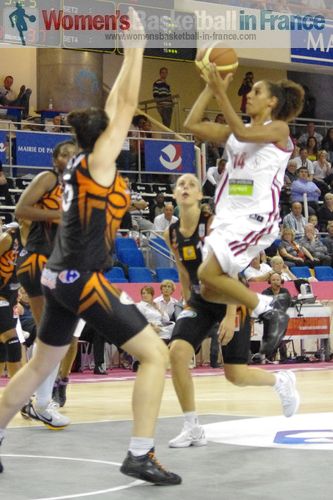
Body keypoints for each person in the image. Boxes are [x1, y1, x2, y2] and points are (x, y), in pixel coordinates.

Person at [0, 10, 181, 485]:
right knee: (154, 356)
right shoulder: (98, 163)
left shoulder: (81, 161)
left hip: (58, 278)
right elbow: (123, 104)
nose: (123, 130)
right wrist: (136, 46)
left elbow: (119, 102)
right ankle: (140, 453)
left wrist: (129, 56)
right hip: (81, 277)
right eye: (117, 130)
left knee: (42, 362)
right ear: (106, 137)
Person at [165, 174, 299, 448]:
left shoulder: (213, 225)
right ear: (175, 196)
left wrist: (229, 314)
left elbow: (230, 268)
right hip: (201, 302)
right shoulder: (171, 233)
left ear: (201, 196)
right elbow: (182, 271)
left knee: (235, 375)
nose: (186, 188)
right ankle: (192, 427)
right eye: (181, 185)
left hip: (230, 298)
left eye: (191, 184)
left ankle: (281, 381)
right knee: (177, 353)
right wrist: (188, 303)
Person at [184, 63, 304, 355]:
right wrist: (210, 90)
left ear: (272, 102)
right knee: (210, 287)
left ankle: (269, 309)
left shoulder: (279, 129)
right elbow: (192, 124)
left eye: (256, 91)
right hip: (228, 219)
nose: (249, 95)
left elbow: (240, 130)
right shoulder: (237, 133)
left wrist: (222, 95)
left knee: (208, 274)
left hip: (256, 217)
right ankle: (268, 307)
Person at [15, 140, 75, 429]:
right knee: (53, 338)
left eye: (74, 155)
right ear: (55, 158)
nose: (69, 158)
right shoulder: (48, 178)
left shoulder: (74, 188)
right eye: (64, 154)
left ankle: (34, 400)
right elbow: (20, 210)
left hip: (54, 263)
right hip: (39, 261)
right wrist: (56, 215)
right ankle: (41, 404)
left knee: (52, 337)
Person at [0, 222, 22, 380]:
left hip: (12, 293)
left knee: (3, 345)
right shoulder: (8, 237)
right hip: (1, 293)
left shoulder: (37, 239)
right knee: (11, 339)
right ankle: (20, 395)